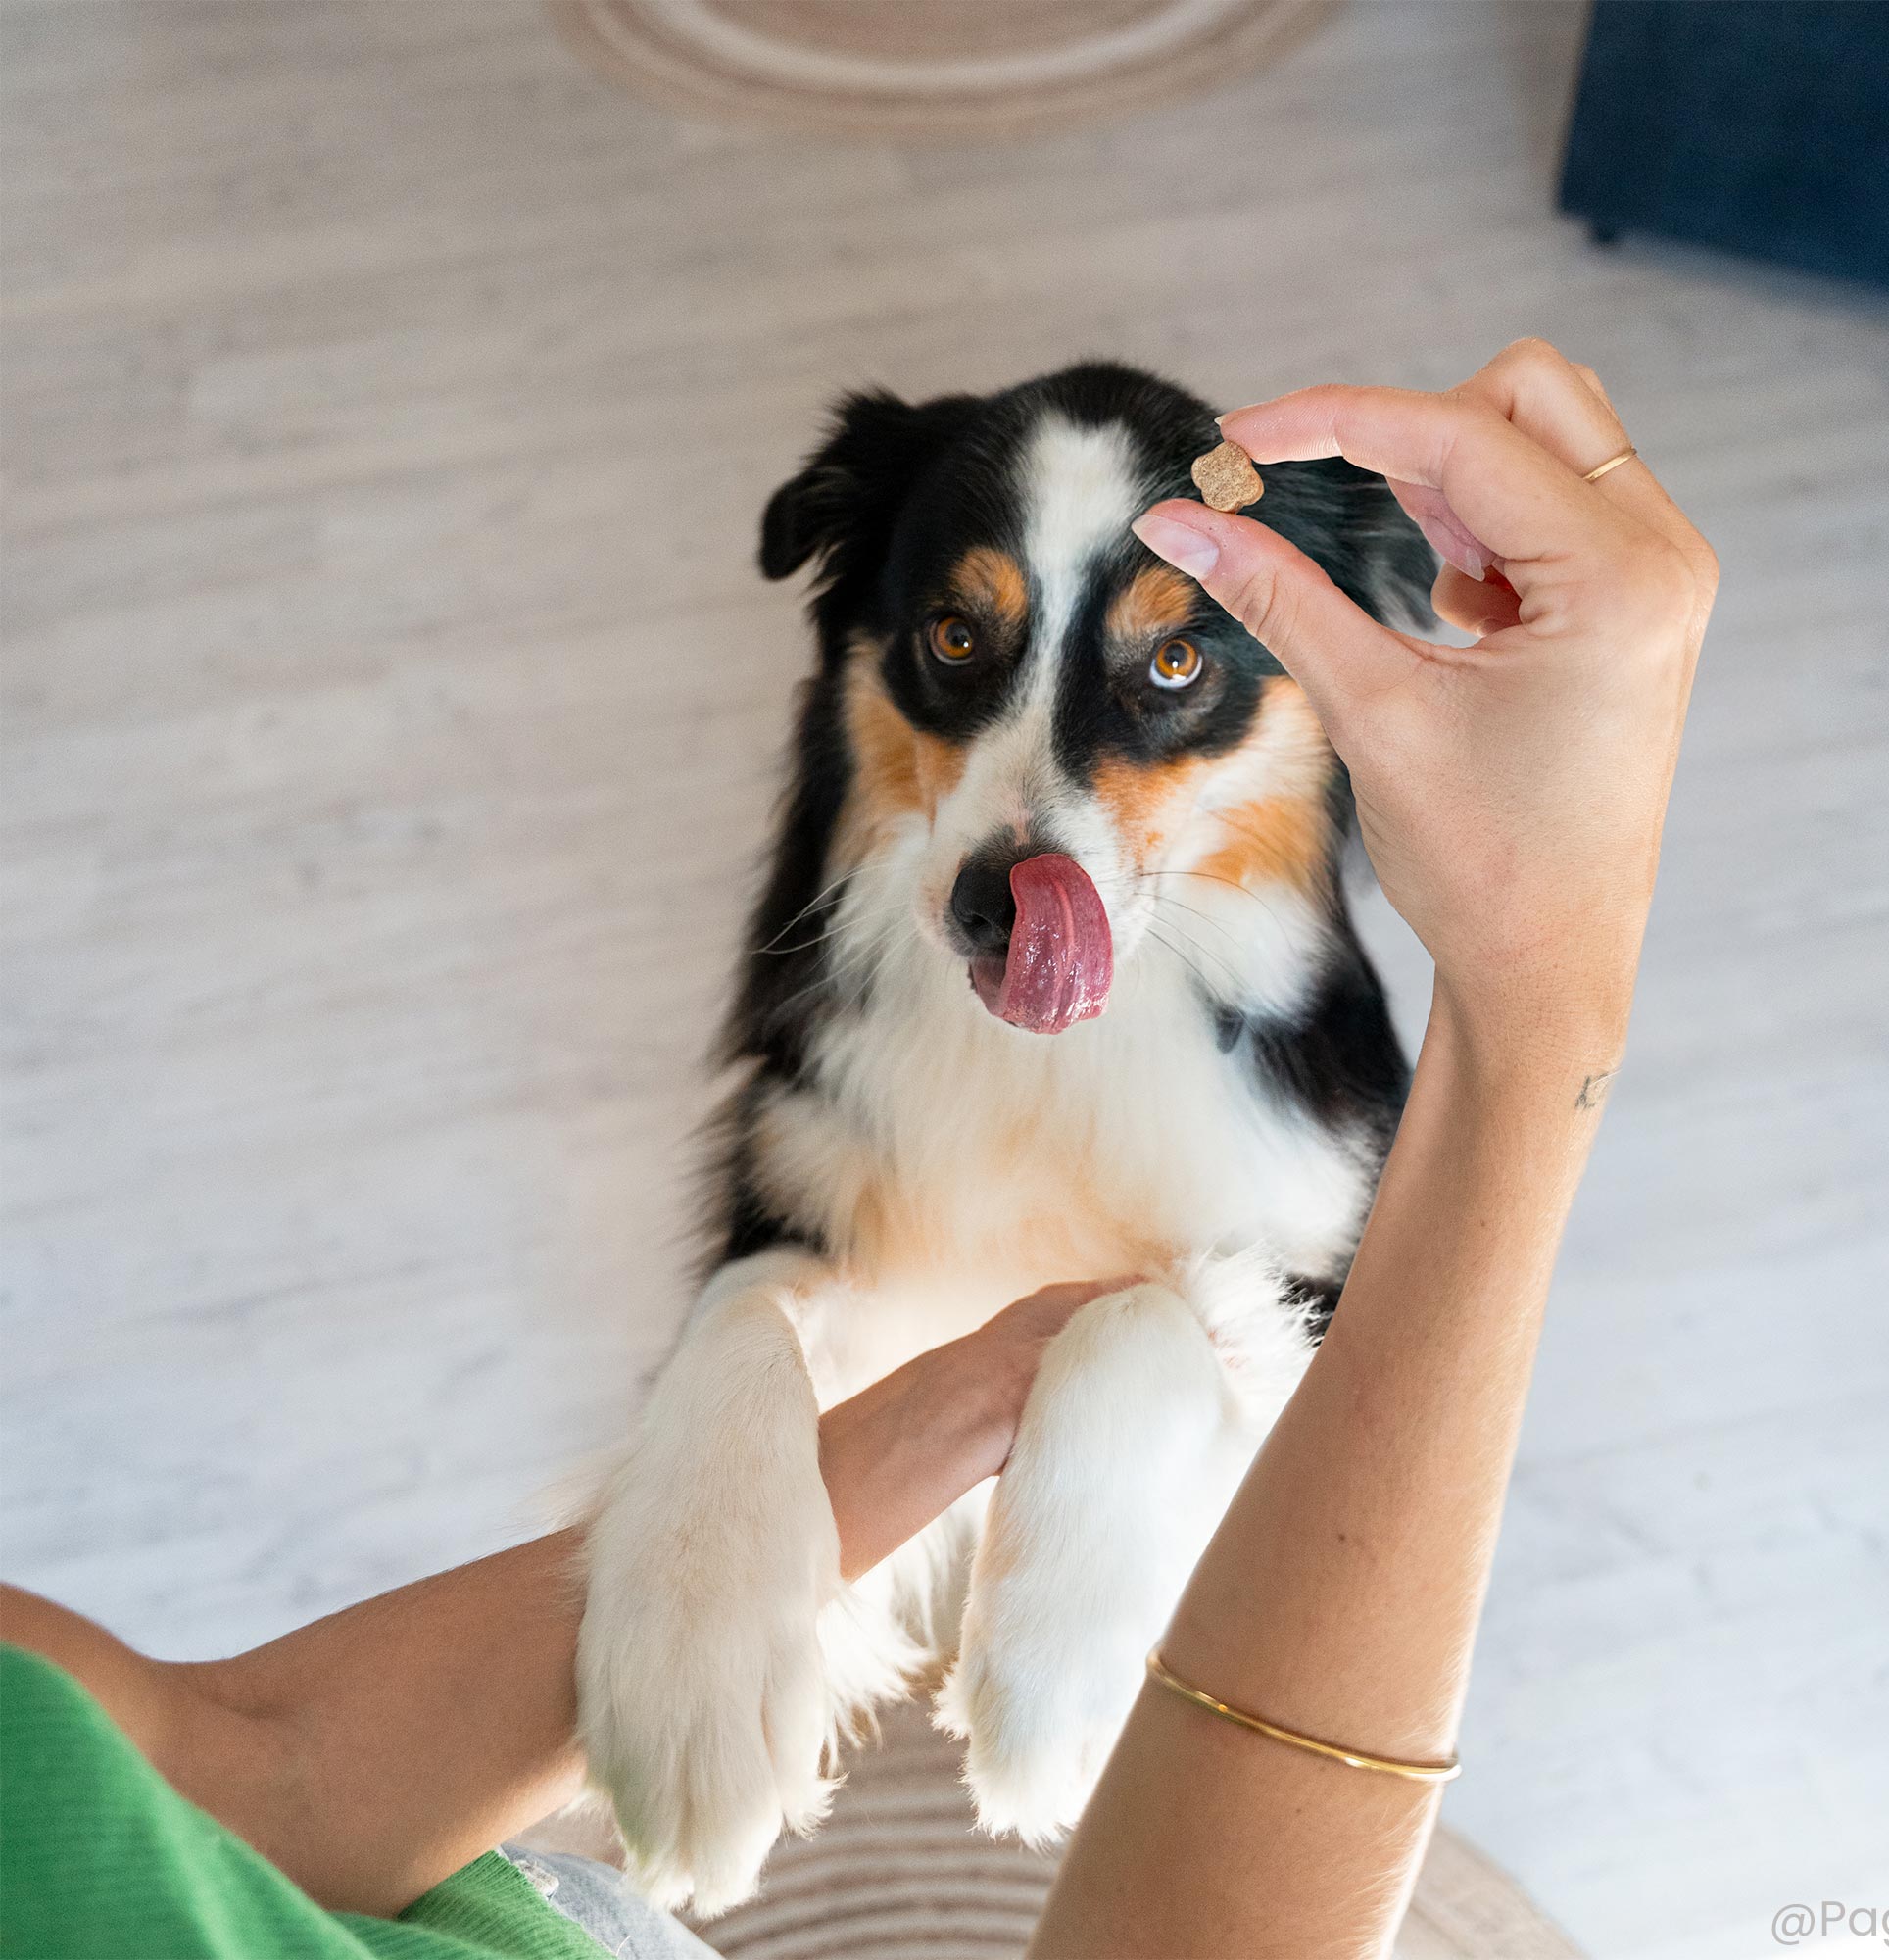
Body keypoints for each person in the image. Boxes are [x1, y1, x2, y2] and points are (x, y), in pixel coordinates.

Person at [0, 339, 1716, 1960]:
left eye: (1172, 667)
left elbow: (246, 1762)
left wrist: (959, 1412)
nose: (1023, 816)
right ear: (880, 649)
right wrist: (1551, 994)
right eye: (958, 655)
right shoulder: (854, 1056)